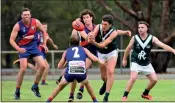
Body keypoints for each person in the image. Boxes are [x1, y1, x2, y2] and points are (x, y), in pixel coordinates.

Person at [121, 21, 175, 101]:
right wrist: (124, 59)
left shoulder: (152, 38)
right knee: (133, 78)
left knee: (154, 80)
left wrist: (173, 50)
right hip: (136, 61)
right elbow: (128, 48)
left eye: (142, 27)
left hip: (146, 63)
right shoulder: (135, 38)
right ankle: (125, 96)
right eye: (139, 27)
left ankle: (145, 94)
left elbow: (163, 45)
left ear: (147, 28)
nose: (140, 29)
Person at [46, 32, 104, 102]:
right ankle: (95, 100)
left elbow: (59, 66)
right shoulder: (84, 49)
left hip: (70, 73)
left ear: (70, 43)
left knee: (60, 86)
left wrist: (65, 63)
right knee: (87, 83)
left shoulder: (67, 51)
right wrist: (101, 61)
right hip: (81, 72)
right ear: (80, 42)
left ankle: (48, 101)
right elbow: (94, 58)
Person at [56, 9, 97, 101]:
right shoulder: (79, 29)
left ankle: (81, 89)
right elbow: (75, 39)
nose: (86, 19)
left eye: (87, 17)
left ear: (91, 18)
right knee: (76, 71)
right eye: (84, 18)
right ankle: (71, 95)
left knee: (82, 69)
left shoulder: (96, 27)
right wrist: (76, 29)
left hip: (91, 52)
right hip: (81, 51)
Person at [88, 14, 131, 102]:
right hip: (101, 54)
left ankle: (106, 96)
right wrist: (91, 36)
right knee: (103, 77)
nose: (103, 26)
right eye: (102, 23)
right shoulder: (99, 27)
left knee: (110, 72)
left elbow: (103, 45)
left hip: (111, 52)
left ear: (110, 25)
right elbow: (94, 33)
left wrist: (93, 43)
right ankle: (105, 83)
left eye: (105, 25)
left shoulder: (113, 32)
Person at [9, 8, 48, 100]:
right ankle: (17, 91)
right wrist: (18, 48)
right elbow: (11, 40)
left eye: (28, 15)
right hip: (23, 48)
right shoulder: (17, 26)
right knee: (23, 69)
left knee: (43, 66)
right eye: (24, 15)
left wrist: (44, 44)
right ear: (21, 16)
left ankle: (35, 86)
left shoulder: (36, 22)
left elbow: (44, 31)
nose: (26, 16)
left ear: (30, 15)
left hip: (34, 47)